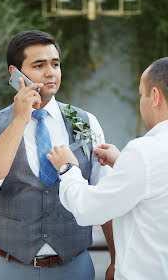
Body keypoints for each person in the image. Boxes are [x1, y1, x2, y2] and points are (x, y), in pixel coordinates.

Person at [0, 30, 115, 280]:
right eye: (39, 65)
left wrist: (115, 258)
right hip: (6, 267)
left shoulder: (83, 123)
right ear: (15, 74)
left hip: (74, 266)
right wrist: (20, 119)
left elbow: (107, 193)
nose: (50, 72)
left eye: (55, 64)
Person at [47, 57, 168, 280]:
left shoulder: (142, 151)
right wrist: (124, 165)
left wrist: (67, 169)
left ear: (155, 97)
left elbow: (90, 208)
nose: (49, 72)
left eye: (141, 94)